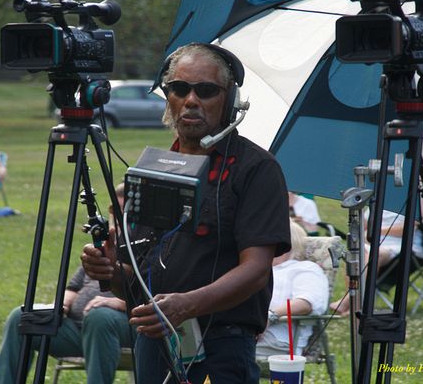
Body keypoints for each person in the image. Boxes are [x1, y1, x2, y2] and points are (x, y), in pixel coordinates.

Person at [81, 42, 291, 384]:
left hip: (222, 346)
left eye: (206, 90)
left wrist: (186, 305)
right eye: (179, 88)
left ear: (231, 99)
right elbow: (139, 283)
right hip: (153, 343)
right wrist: (110, 271)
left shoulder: (257, 168)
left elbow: (255, 270)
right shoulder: (154, 168)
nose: (191, 100)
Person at [0, 266, 135, 384]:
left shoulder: (145, 251)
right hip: (77, 331)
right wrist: (60, 306)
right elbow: (72, 289)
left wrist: (122, 303)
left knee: (99, 318)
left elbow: (153, 298)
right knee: (21, 317)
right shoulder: (99, 256)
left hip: (123, 327)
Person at [329, 210, 423, 315]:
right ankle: (354, 303)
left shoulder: (412, 200)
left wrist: (376, 230)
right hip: (373, 244)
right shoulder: (378, 200)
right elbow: (363, 227)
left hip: (403, 247)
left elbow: (409, 228)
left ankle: (351, 300)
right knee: (353, 255)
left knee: (375, 254)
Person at [256, 221, 329, 357]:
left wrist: (269, 316)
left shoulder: (304, 268)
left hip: (276, 340)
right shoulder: (257, 269)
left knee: (217, 353)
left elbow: (306, 303)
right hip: (243, 334)